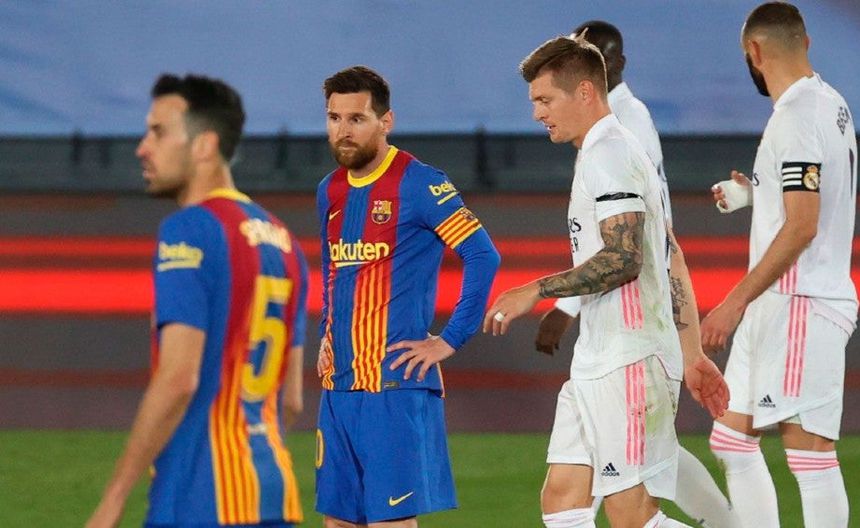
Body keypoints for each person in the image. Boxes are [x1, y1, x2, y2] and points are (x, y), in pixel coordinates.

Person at [484, 35, 728, 528]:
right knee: (563, 499)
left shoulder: (610, 153)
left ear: (585, 92)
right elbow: (670, 253)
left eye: (545, 100)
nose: (537, 113)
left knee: (630, 513)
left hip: (629, 359)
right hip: (600, 357)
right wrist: (692, 352)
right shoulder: (601, 150)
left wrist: (535, 289)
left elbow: (624, 259)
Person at [86, 74, 308, 528]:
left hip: (199, 499)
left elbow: (178, 379)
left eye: (158, 132)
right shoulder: (285, 242)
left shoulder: (190, 230)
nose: (142, 148)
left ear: (204, 145)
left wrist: (113, 499)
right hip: (273, 494)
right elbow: (292, 401)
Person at [314, 66, 500, 528]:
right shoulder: (330, 190)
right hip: (338, 388)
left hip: (393, 388)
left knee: (390, 524)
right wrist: (326, 335)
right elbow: (333, 270)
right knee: (338, 523)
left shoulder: (418, 183)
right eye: (334, 118)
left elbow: (482, 255)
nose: (343, 130)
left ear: (386, 121)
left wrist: (450, 339)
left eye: (356, 118)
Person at [702, 3, 856, 527]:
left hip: (800, 303)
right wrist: (758, 193)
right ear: (805, 42)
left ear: (754, 52)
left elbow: (802, 226)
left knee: (810, 456)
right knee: (731, 440)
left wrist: (732, 303)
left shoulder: (795, 117)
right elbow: (814, 195)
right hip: (781, 304)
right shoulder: (829, 102)